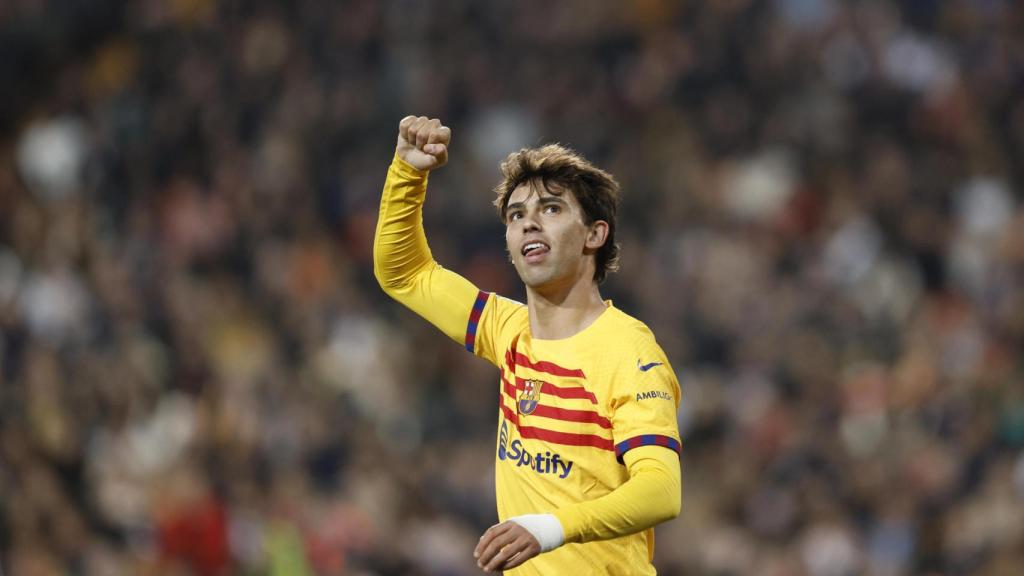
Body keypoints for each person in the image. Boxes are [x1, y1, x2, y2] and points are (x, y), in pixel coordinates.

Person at [374, 116, 682, 574]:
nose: (529, 224)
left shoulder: (629, 351)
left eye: (552, 209)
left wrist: (549, 528)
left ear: (594, 235)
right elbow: (405, 272)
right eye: (517, 215)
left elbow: (661, 490)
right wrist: (407, 172)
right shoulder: (507, 329)